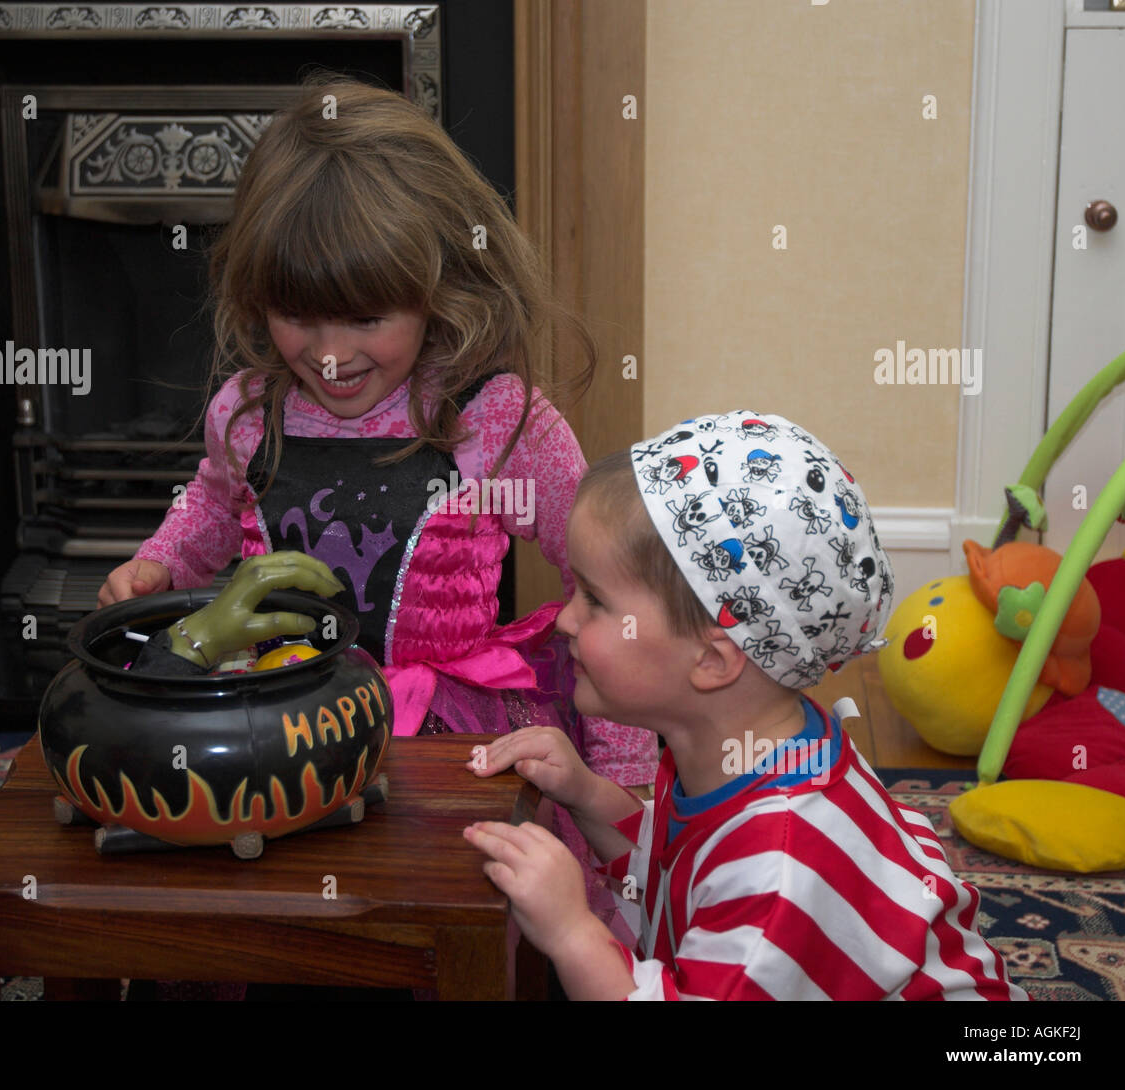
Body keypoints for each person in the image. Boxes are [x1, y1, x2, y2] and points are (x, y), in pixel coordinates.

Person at [99, 74, 658, 922]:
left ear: (434, 286)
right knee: (272, 918)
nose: (328, 356)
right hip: (278, 719)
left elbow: (610, 579)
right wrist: (156, 562)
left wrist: (623, 764)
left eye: (364, 319)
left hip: (450, 744)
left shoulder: (493, 419)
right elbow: (209, 510)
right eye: (297, 317)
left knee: (426, 923)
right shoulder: (248, 412)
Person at [465, 411, 1028, 1000]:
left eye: (595, 600)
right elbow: (684, 866)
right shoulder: (741, 750)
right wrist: (586, 793)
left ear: (713, 660)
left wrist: (572, 933)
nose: (564, 619)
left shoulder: (775, 871)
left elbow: (735, 881)